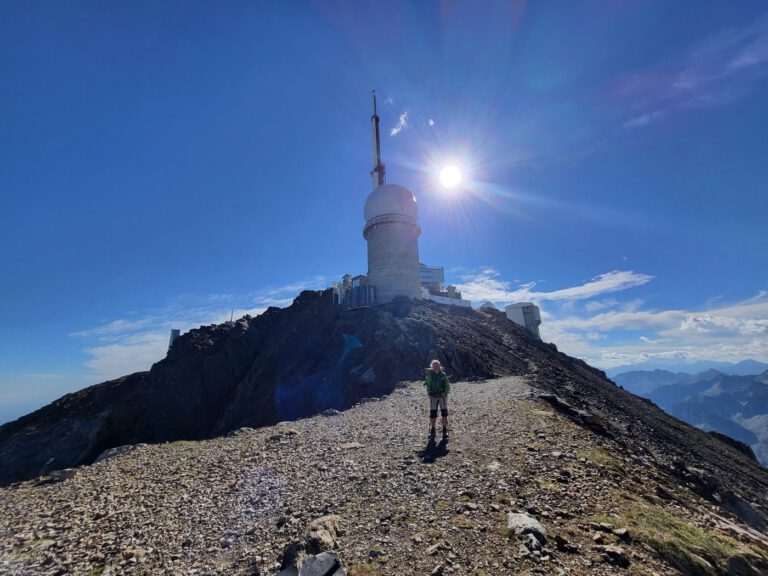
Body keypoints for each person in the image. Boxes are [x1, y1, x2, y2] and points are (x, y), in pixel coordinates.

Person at [424, 359, 451, 437]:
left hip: (442, 396)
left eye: (437, 365)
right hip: (433, 396)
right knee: (433, 413)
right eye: (434, 366)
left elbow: (447, 385)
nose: (436, 367)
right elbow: (428, 386)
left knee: (444, 413)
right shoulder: (429, 376)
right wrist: (429, 393)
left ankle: (444, 428)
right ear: (432, 366)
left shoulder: (443, 375)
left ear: (440, 366)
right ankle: (433, 429)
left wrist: (445, 393)